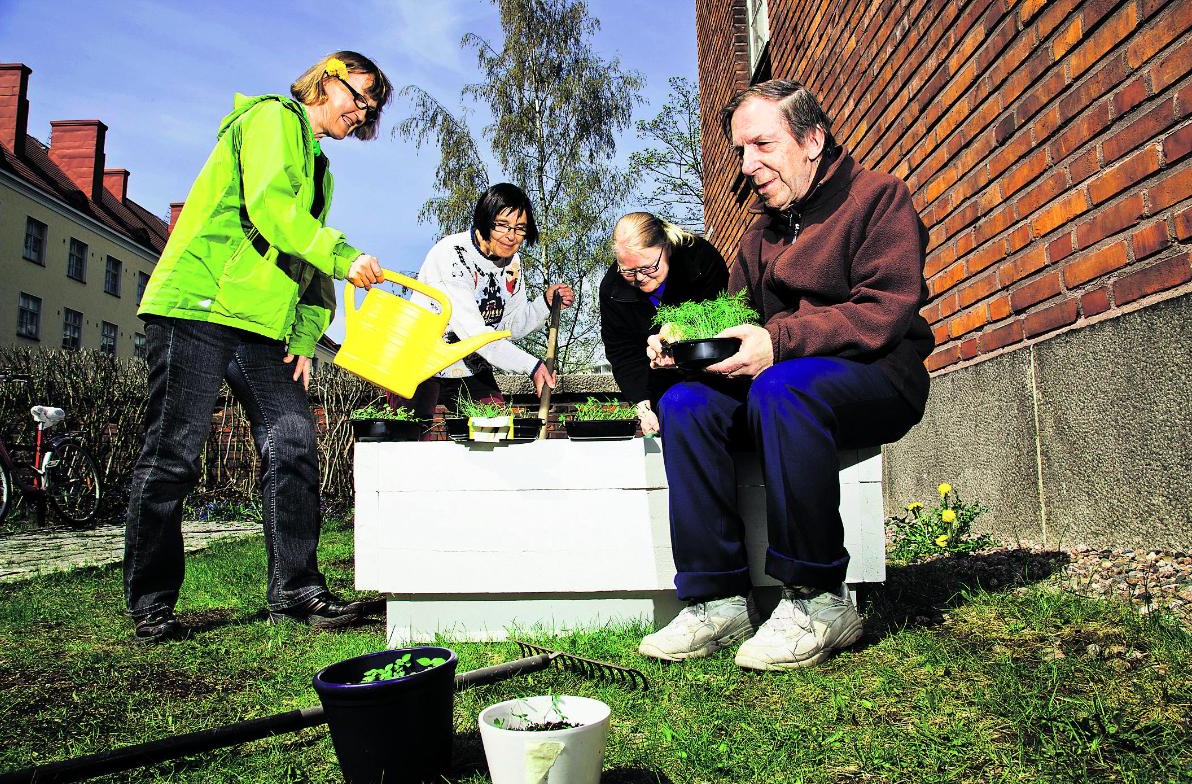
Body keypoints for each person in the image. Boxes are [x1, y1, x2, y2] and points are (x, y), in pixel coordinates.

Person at [639, 79, 934, 670]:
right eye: (740, 152)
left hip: (879, 373)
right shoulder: (761, 234)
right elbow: (736, 320)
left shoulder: (879, 199)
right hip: (784, 386)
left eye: (762, 146)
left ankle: (819, 597)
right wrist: (686, 344)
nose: (747, 165)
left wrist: (779, 341)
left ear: (812, 140)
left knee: (780, 384)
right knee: (685, 406)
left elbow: (885, 310)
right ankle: (717, 598)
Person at [124, 52, 392, 644]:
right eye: (359, 97)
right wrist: (346, 256)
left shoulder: (322, 170)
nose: (362, 113)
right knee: (174, 454)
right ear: (326, 81)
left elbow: (304, 262)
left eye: (371, 109)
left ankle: (296, 590)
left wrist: (302, 338)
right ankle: (151, 602)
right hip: (197, 303)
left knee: (293, 437)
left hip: (262, 326)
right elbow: (273, 210)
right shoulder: (271, 119)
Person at [395, 183, 574, 419]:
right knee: (409, 441)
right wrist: (532, 366)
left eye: (520, 228)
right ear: (485, 219)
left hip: (468, 366)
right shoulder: (452, 255)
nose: (511, 237)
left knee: (497, 433)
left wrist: (545, 303)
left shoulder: (511, 263)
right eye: (502, 225)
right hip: (420, 361)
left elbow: (511, 327)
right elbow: (476, 336)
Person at [599, 212, 728, 435]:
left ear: (666, 246)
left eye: (649, 267)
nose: (640, 278)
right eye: (628, 271)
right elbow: (623, 354)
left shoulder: (700, 259)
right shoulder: (612, 290)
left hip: (717, 380)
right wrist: (643, 407)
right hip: (661, 389)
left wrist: (682, 331)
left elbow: (723, 319)